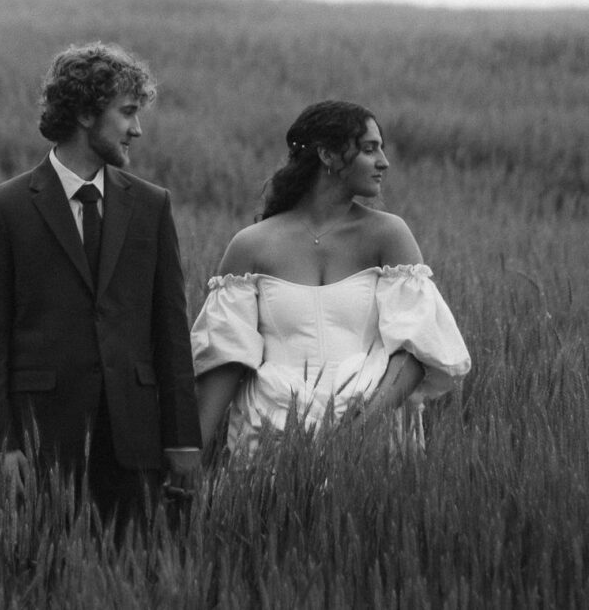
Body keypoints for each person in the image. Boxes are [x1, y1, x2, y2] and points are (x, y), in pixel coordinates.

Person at [0, 42, 202, 528]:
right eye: (128, 112)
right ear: (89, 114)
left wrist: (183, 439)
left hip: (136, 443)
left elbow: (171, 331)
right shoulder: (2, 209)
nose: (138, 128)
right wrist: (1, 446)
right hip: (41, 445)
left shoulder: (152, 206)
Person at [189, 100, 470, 462]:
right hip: (270, 436)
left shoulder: (389, 235)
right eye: (370, 149)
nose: (384, 161)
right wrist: (190, 456)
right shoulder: (252, 245)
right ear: (327, 155)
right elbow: (225, 360)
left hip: (370, 445)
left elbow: (416, 350)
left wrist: (358, 433)